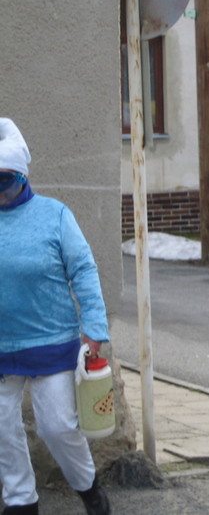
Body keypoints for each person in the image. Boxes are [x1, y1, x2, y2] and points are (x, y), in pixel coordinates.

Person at [0, 118, 111, 515]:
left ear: (22, 177)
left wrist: (94, 328)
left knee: (58, 426)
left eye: (4, 181)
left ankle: (88, 488)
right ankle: (20, 501)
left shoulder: (54, 215)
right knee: (1, 428)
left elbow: (83, 270)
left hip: (51, 340)